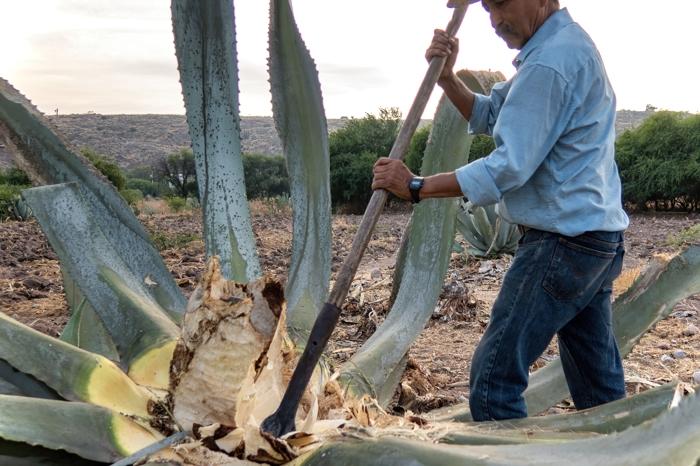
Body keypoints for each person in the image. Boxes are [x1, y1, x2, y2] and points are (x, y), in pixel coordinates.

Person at [371, 0, 629, 421]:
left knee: (495, 380)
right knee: (597, 384)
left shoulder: (549, 64)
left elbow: (509, 166)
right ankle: (622, 446)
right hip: (595, 242)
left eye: (503, 3)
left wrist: (417, 187)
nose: (495, 20)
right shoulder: (563, 47)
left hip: (561, 245)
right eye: (488, 8)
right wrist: (447, 77)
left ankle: (505, 450)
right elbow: (493, 114)